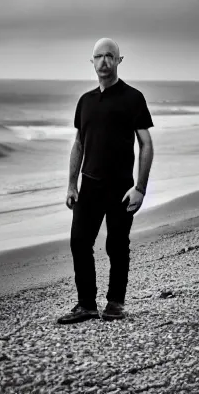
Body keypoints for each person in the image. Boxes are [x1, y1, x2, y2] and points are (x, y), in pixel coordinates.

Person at [57, 38, 154, 324]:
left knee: (116, 245)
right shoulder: (85, 101)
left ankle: (115, 303)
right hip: (89, 185)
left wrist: (140, 188)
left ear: (119, 60)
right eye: (98, 56)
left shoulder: (133, 98)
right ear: (92, 61)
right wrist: (72, 185)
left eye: (109, 56)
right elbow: (78, 144)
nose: (103, 62)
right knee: (79, 242)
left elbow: (146, 145)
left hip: (121, 186)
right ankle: (86, 304)